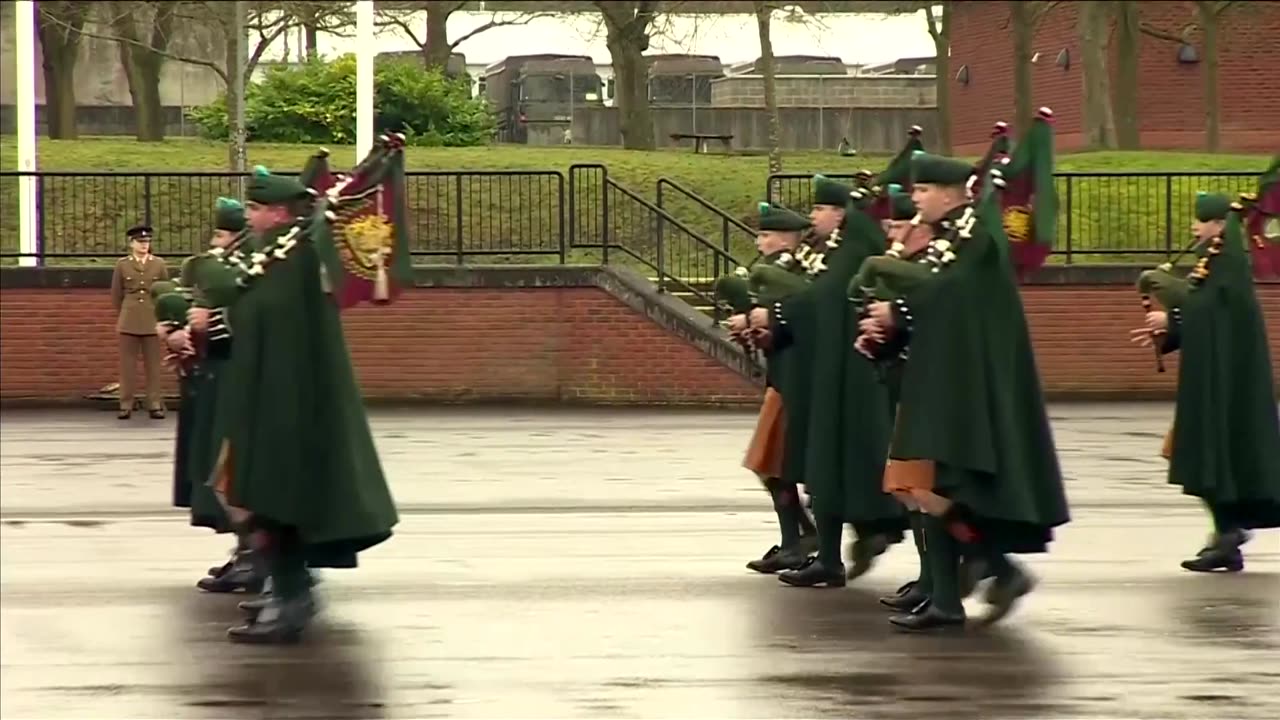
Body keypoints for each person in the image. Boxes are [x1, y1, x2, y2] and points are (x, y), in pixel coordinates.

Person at [855, 152, 1070, 631]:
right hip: (938, 378)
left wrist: (901, 313)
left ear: (952, 192)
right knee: (925, 486)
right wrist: (886, 331)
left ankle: (970, 582)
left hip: (963, 384)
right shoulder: (951, 237)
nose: (915, 200)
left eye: (923, 191)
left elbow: (957, 295)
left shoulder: (975, 235)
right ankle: (962, 583)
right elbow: (935, 294)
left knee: (934, 486)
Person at [195, 167, 399, 644]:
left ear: (278, 213)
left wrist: (209, 270)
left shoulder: (294, 256)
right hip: (266, 394)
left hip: (285, 401)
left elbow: (252, 303)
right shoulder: (274, 252)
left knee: (271, 499)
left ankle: (291, 597)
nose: (248, 216)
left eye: (255, 208)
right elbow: (241, 300)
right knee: (255, 498)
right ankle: (285, 587)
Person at [751, 176, 904, 588]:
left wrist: (777, 316)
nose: (812, 217)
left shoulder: (850, 250)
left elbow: (824, 298)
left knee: (918, 489)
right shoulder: (829, 252)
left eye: (820, 209)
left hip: (848, 374)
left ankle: (830, 541)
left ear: (840, 213)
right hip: (823, 372)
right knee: (820, 467)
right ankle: (828, 550)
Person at [1131, 192, 1280, 572]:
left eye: (1200, 220)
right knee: (1201, 452)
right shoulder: (1213, 264)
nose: (1194, 226)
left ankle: (1228, 534)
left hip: (1225, 386)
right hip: (1214, 379)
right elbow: (1204, 313)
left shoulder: (1227, 264)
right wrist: (1170, 331)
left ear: (1217, 225)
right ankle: (1227, 535)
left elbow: (1209, 311)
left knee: (1208, 451)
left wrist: (1169, 308)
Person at [156, 198, 267, 594]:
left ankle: (258, 556)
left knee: (232, 469)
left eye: (222, 233)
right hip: (213, 374)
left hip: (236, 375)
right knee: (216, 467)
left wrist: (201, 330)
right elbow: (191, 303)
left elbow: (243, 315)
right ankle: (246, 551)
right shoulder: (218, 264)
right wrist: (176, 332)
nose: (217, 241)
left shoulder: (257, 261)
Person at [726, 203, 820, 573]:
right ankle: (796, 538)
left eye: (765, 235)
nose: (758, 241)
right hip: (782, 377)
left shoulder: (793, 275)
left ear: (785, 239)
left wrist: (757, 323)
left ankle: (798, 541)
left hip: (792, 380)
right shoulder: (777, 273)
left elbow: (794, 323)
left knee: (769, 463)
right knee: (770, 464)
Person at [111, 224, 169, 419]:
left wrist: (162, 316)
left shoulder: (158, 264)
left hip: (151, 317)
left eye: (147, 242)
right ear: (132, 243)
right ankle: (126, 404)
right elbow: (116, 294)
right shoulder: (122, 264)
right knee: (127, 365)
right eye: (140, 242)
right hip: (129, 318)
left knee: (153, 365)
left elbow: (164, 291)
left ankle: (154, 403)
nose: (144, 245)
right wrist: (124, 313)